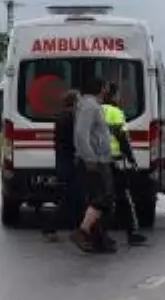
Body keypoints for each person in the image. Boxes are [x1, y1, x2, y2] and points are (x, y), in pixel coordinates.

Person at [70, 77, 117, 254]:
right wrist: (90, 158)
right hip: (96, 160)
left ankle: (98, 239)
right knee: (103, 199)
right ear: (100, 88)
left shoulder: (91, 105)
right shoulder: (90, 106)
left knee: (102, 200)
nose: (107, 90)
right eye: (105, 87)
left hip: (99, 158)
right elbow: (82, 134)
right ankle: (83, 231)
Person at [102, 85, 147, 246]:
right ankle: (132, 232)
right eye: (119, 94)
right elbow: (122, 138)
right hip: (115, 160)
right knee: (124, 197)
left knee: (102, 198)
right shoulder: (116, 113)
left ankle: (101, 233)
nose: (120, 98)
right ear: (113, 96)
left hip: (98, 160)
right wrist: (132, 159)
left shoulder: (96, 110)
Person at [50, 90, 81, 241]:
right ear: (74, 101)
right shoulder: (71, 117)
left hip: (62, 161)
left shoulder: (61, 116)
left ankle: (75, 228)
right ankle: (51, 228)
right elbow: (74, 140)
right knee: (71, 196)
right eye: (79, 100)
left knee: (72, 196)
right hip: (70, 162)